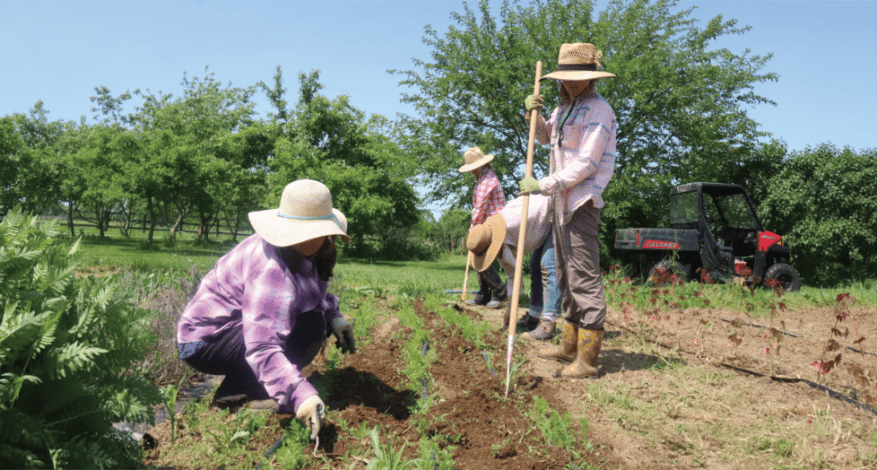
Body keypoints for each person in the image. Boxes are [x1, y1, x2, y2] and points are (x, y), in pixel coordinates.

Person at [176, 179, 355, 438]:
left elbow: (313, 293)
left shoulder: (310, 251)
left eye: (317, 231)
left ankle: (244, 389)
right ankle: (236, 398)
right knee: (307, 330)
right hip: (204, 340)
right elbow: (261, 344)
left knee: (312, 323)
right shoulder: (271, 268)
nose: (311, 238)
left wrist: (334, 317)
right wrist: (301, 396)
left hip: (236, 329)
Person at [519, 42, 617, 379]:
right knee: (563, 275)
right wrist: (535, 116)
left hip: (581, 203)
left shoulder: (599, 111)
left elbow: (587, 163)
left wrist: (543, 184)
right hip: (560, 203)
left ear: (592, 77)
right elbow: (548, 138)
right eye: (567, 78)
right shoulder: (564, 108)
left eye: (579, 77)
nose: (573, 83)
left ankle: (587, 362)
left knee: (584, 280)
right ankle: (569, 346)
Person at [466, 194, 562, 341]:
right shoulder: (498, 245)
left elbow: (545, 203)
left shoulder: (516, 222)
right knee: (534, 266)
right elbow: (513, 276)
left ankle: (549, 323)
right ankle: (534, 317)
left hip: (554, 213)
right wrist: (511, 310)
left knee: (548, 265)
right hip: (541, 226)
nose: (492, 258)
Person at [459, 146, 508, 308]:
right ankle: (484, 293)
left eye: (473, 168)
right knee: (477, 256)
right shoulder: (483, 178)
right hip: (486, 223)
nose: (472, 171)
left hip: (493, 224)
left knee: (482, 258)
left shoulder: (487, 181)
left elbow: (480, 208)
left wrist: (473, 229)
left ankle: (499, 291)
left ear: (481, 165)